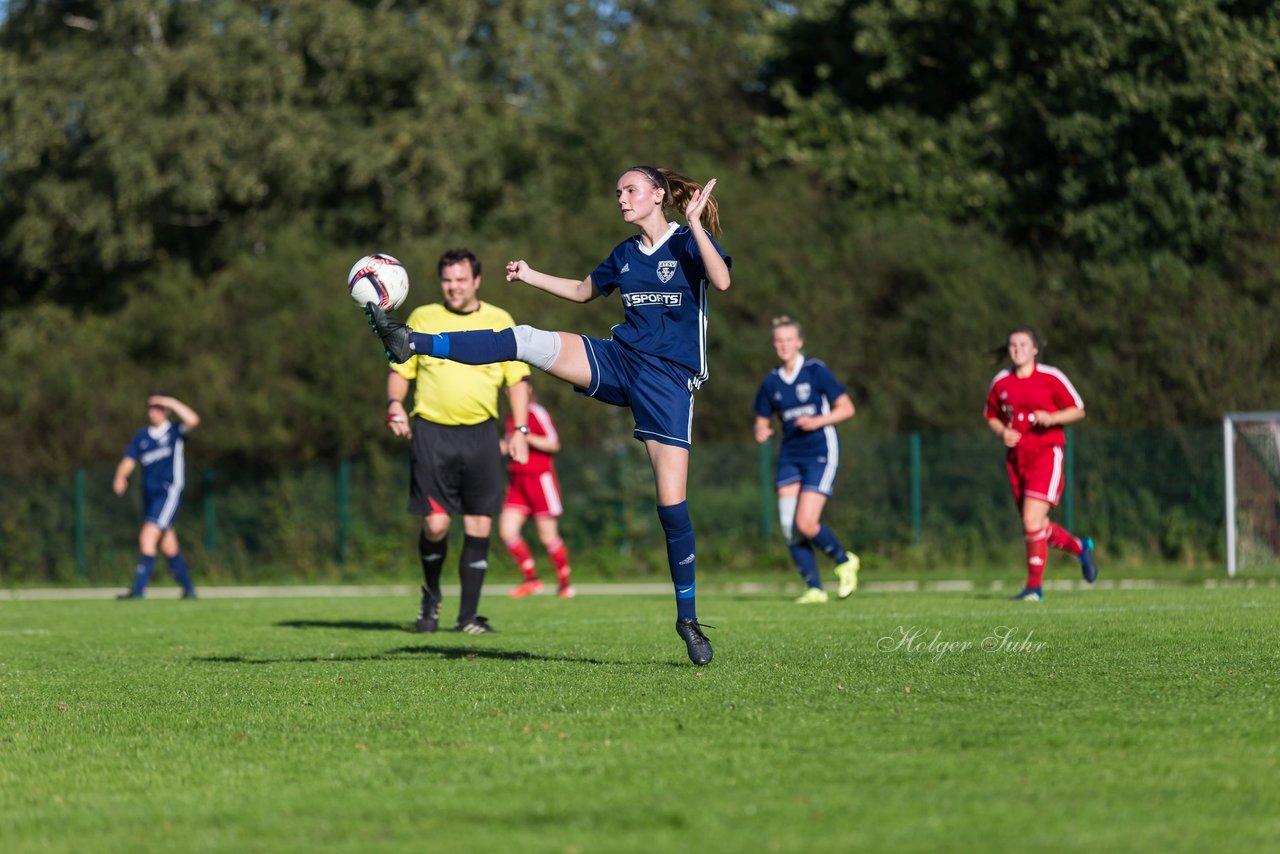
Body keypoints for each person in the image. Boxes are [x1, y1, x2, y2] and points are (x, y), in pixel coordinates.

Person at [366, 165, 731, 665]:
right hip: (619, 361)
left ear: (659, 195)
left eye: (629, 191)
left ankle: (686, 617)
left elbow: (723, 280)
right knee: (525, 340)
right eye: (617, 191)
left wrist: (695, 226)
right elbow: (584, 292)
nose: (621, 199)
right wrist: (531, 275)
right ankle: (413, 342)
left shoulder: (688, 241)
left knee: (671, 505)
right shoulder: (626, 255)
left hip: (668, 382)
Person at [384, 248, 531, 635]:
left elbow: (518, 381)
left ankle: (468, 617)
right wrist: (395, 404)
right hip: (432, 431)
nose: (453, 287)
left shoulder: (499, 320)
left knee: (480, 523)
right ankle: (430, 600)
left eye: (461, 280)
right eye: (447, 280)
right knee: (435, 524)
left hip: (482, 433)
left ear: (477, 281)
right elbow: (402, 367)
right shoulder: (422, 318)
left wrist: (519, 430)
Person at [984, 326, 1098, 601]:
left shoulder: (1051, 376)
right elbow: (991, 415)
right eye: (1012, 345)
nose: (1017, 349)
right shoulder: (1001, 382)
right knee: (1036, 525)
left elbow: (1078, 409)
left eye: (1023, 344)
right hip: (1017, 458)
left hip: (1047, 452)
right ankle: (1080, 548)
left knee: (1030, 520)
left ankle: (1034, 588)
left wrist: (1052, 417)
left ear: (1035, 349)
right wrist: (1002, 432)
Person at [753, 316, 861, 603]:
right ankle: (814, 588)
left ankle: (844, 560)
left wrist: (817, 421)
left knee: (806, 523)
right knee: (790, 527)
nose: (783, 345)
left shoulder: (816, 371)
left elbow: (847, 408)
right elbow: (761, 419)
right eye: (778, 341)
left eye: (788, 340)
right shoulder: (771, 381)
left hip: (820, 452)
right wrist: (762, 430)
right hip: (789, 455)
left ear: (799, 342)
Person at [112, 394, 201, 599]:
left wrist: (170, 401)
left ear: (167, 411)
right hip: (149, 495)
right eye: (152, 408)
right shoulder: (142, 436)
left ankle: (138, 590)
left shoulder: (174, 432)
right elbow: (129, 460)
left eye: (160, 408)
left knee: (147, 537)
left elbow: (194, 420)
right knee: (168, 544)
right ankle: (189, 589)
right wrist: (120, 477)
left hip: (168, 491)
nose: (155, 412)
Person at [499, 386, 575, 599]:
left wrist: (524, 435)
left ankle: (564, 583)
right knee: (507, 531)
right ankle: (531, 579)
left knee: (547, 536)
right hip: (517, 482)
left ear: (528, 390)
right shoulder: (510, 418)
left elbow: (553, 444)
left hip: (540, 480)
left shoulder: (536, 413)